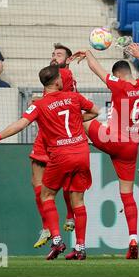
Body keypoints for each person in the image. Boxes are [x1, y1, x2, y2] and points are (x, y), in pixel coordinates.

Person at [0, 65, 100, 260]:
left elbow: (21, 124)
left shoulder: (39, 105)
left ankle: (57, 241)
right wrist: (76, 122)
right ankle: (80, 247)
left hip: (61, 155)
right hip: (81, 152)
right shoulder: (74, 97)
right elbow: (96, 111)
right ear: (57, 81)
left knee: (46, 195)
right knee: (78, 200)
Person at [70, 43, 139, 259]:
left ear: (119, 75)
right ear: (132, 73)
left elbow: (96, 69)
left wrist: (88, 53)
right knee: (127, 195)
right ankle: (133, 239)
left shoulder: (119, 86)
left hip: (111, 139)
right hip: (131, 148)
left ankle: (74, 148)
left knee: (78, 122)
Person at [32, 43, 81, 249]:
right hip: (46, 135)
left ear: (68, 59)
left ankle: (64, 220)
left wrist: (36, 101)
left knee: (55, 184)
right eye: (53, 54)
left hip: (58, 139)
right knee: (39, 184)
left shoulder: (64, 76)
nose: (54, 56)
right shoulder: (52, 78)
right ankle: (50, 226)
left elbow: (59, 101)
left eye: (59, 54)